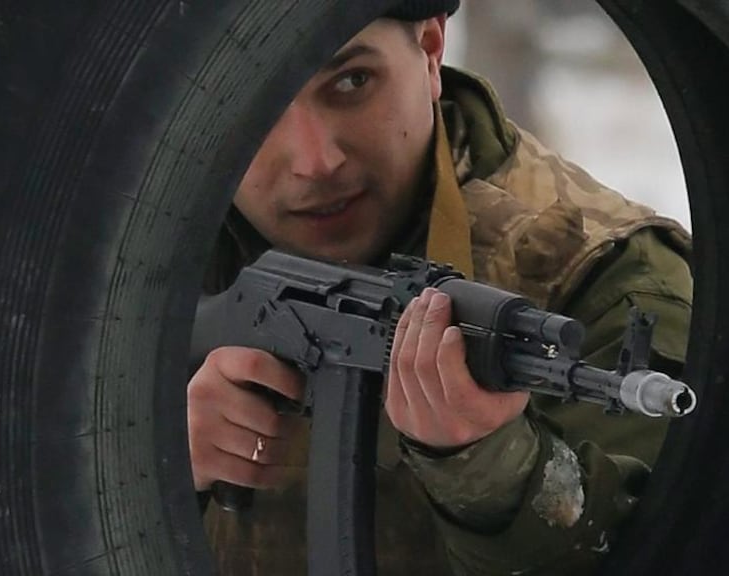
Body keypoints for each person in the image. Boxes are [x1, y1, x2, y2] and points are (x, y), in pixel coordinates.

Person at [188, 1, 693, 574]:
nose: (314, 160)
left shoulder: (613, 284)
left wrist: (494, 469)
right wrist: (145, 452)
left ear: (430, 50)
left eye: (353, 82)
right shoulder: (139, 260)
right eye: (256, 107)